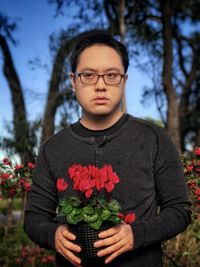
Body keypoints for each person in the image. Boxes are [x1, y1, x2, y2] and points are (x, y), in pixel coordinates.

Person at [24, 32, 191, 267]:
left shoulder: (154, 138)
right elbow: (33, 219)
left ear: (124, 80)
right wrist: (53, 235)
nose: (100, 85)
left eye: (111, 75)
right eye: (89, 76)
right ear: (73, 81)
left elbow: (180, 211)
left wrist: (137, 234)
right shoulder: (53, 148)